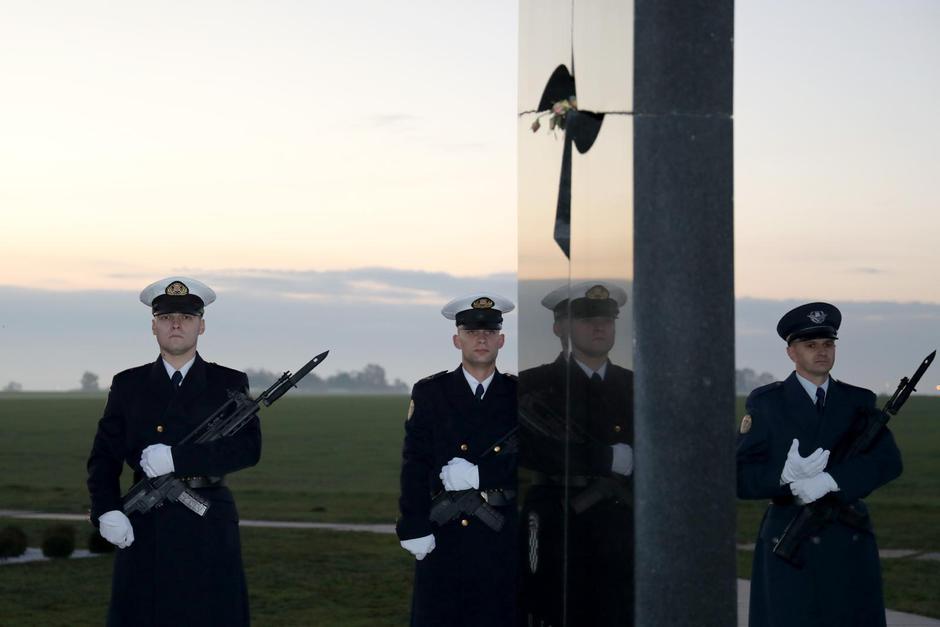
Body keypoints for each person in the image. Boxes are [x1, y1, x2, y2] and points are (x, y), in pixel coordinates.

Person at [86, 276, 261, 627]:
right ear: (154, 326)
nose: (176, 324)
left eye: (186, 317)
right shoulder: (128, 384)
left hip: (208, 522)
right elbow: (104, 456)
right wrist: (106, 510)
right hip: (145, 521)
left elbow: (247, 448)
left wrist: (178, 460)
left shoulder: (228, 382)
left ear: (201, 325)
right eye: (166, 317)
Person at [737, 302, 903, 627]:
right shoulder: (768, 404)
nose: (822, 351)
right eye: (810, 345)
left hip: (847, 536)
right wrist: (782, 476)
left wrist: (832, 480)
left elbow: (887, 461)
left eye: (828, 344)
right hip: (789, 535)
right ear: (791, 352)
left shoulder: (857, 402)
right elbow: (739, 476)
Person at [396, 293, 518, 627]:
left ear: (501, 340)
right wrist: (413, 523)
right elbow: (415, 463)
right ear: (457, 339)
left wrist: (481, 475)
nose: (482, 339)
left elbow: (534, 461)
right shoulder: (431, 393)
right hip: (446, 534)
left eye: (490, 331)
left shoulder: (520, 394)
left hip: (503, 536)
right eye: (471, 331)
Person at [518, 281, 634, 627]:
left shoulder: (638, 387)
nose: (599, 327)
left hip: (623, 519)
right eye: (586, 320)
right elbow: (528, 449)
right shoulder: (532, 386)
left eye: (607, 320)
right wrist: (604, 459)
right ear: (559, 328)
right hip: (558, 518)